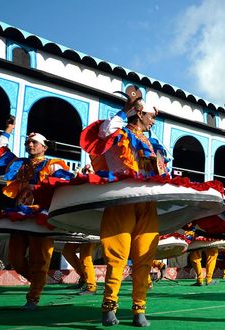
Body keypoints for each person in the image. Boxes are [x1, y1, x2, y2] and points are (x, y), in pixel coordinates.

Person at [85, 88, 166, 327]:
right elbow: (104, 130)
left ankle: (139, 308)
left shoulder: (150, 142)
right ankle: (109, 306)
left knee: (144, 256)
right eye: (151, 116)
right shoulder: (118, 133)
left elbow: (153, 171)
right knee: (117, 256)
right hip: (121, 199)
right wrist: (128, 107)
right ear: (139, 113)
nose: (153, 120)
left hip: (146, 201)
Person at [0, 116, 72, 310]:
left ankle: (33, 296)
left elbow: (68, 184)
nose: (30, 144)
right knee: (16, 259)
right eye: (28, 142)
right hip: (18, 215)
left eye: (34, 142)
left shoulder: (54, 165)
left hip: (41, 217)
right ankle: (39, 281)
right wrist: (9, 130)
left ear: (44, 147)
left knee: (40, 259)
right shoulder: (18, 164)